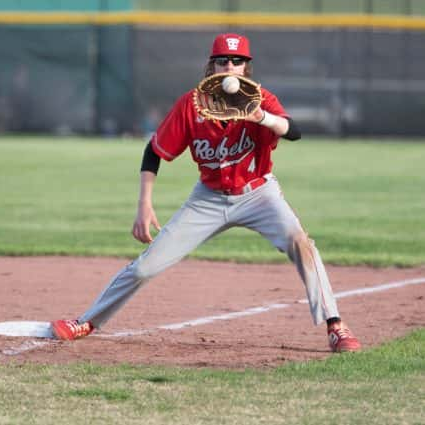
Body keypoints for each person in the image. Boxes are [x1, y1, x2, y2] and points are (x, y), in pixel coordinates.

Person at [51, 33, 362, 353]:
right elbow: (154, 151)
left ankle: (335, 325)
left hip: (259, 194)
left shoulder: (261, 100)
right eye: (223, 61)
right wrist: (144, 204)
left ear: (246, 67)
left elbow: (292, 131)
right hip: (209, 198)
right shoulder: (192, 104)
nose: (230, 66)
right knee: (146, 266)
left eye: (237, 61)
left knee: (301, 243)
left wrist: (261, 117)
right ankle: (87, 321)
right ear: (211, 66)